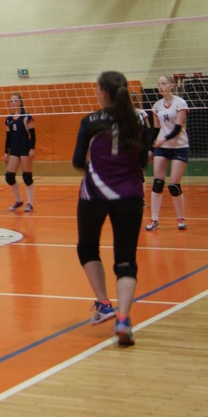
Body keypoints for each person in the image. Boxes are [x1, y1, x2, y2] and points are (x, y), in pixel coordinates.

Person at [72, 71, 148, 346]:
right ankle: (123, 319)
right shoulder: (139, 120)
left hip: (94, 194)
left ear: (103, 92)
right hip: (130, 195)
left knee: (87, 248)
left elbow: (77, 161)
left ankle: (104, 304)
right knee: (126, 260)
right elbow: (143, 160)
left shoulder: (90, 121)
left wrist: (98, 170)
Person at [146, 75, 190, 231]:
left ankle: (180, 218)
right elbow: (155, 129)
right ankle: (154, 219)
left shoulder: (180, 103)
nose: (161, 86)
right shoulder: (156, 106)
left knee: (174, 185)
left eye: (164, 83)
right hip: (162, 148)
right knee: (157, 183)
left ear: (171, 85)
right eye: (159, 84)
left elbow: (178, 128)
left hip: (179, 146)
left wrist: (163, 139)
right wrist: (151, 149)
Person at [3, 92, 36, 212]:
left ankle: (30, 203)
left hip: (25, 148)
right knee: (9, 177)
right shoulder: (9, 119)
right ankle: (18, 201)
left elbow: (33, 135)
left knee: (27, 177)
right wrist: (6, 152)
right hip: (14, 149)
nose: (13, 103)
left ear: (20, 102)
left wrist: (32, 149)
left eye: (15, 100)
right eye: (11, 101)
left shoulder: (27, 117)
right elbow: (8, 137)